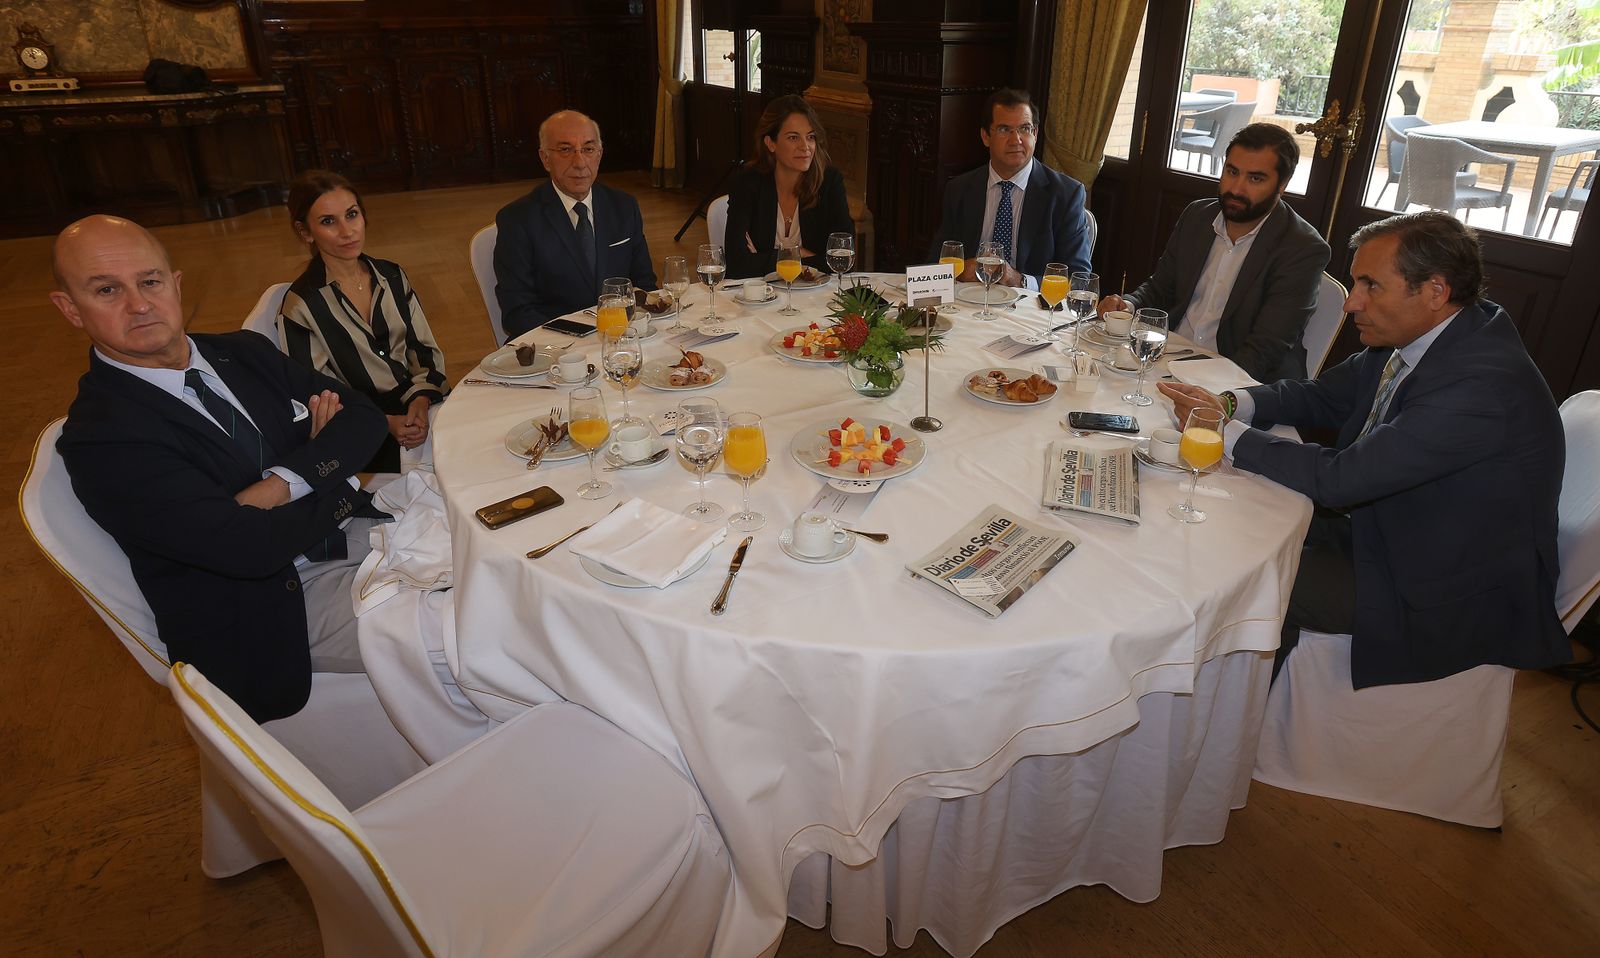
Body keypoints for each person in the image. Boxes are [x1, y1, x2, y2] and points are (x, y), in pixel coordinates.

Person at [1160, 211, 1568, 688]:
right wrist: (1231, 403)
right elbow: (1323, 396)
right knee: (1220, 534)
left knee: (1236, 582)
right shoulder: (1429, 332)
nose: (1352, 303)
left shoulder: (1479, 387)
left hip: (1433, 583)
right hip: (1389, 528)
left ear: (1434, 292)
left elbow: (1341, 480)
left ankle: (1227, 729)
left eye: (1371, 286)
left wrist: (1221, 433)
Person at [52, 214, 389, 722]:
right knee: (477, 626)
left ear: (175, 283)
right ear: (70, 310)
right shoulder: (103, 435)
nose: (139, 304)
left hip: (360, 533)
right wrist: (329, 468)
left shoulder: (242, 353)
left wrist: (280, 485)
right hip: (277, 609)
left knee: (511, 558)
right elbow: (248, 549)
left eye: (150, 281)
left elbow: (363, 419)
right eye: (106, 290)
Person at [1101, 123, 1329, 382]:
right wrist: (1129, 305)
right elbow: (1161, 288)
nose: (1237, 188)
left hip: (1236, 378)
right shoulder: (1197, 216)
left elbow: (1265, 350)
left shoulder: (1302, 248)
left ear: (1283, 184)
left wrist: (1204, 387)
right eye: (1232, 171)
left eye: (1255, 178)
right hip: (1169, 357)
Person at [279, 170, 448, 474]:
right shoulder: (301, 305)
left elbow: (423, 352)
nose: (347, 231)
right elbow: (319, 393)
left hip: (421, 408)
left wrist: (420, 401)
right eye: (328, 221)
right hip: (359, 430)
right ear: (305, 232)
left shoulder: (393, 276)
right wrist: (385, 424)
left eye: (352, 215)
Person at [493, 110, 657, 339]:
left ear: (599, 155)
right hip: (557, 349)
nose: (580, 162)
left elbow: (645, 285)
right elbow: (518, 312)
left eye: (588, 149)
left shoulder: (624, 206)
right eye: (565, 150)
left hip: (622, 340)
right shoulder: (517, 220)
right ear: (545, 159)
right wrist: (582, 341)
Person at [925, 87, 1092, 289]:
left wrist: (1019, 280)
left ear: (1036, 133)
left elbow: (1079, 279)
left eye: (1024, 128)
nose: (1016, 140)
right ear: (986, 136)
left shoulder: (1065, 194)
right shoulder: (959, 189)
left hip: (1030, 312)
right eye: (1004, 129)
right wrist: (957, 271)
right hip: (968, 303)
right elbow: (935, 264)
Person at [723, 95, 855, 280]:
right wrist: (802, 254)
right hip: (761, 297)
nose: (805, 147)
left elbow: (843, 261)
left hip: (816, 296)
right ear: (770, 143)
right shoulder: (747, 183)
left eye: (810, 137)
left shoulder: (830, 182)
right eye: (793, 137)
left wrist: (764, 258)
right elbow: (737, 264)